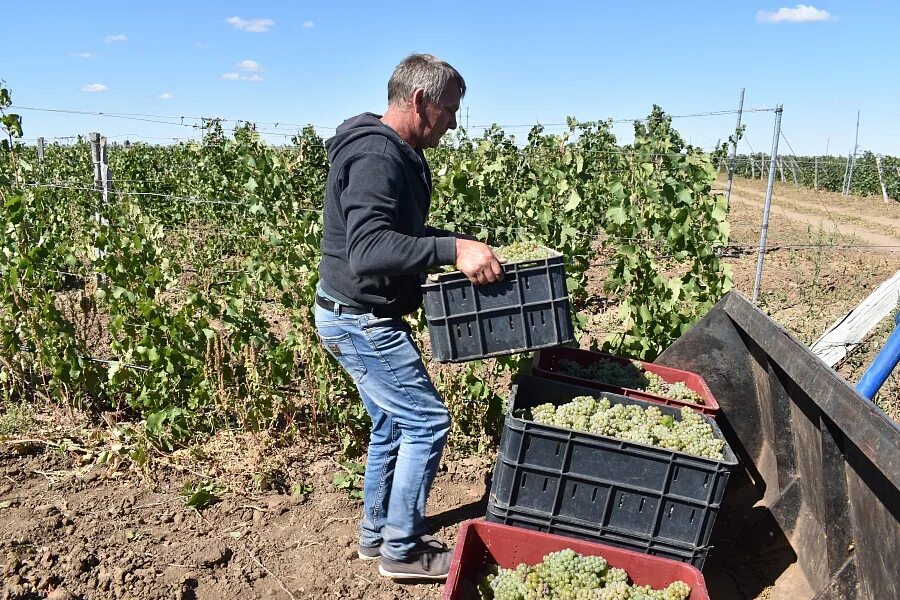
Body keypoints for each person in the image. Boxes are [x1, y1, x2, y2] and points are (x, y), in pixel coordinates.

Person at [313, 53, 504, 580]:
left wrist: (454, 242)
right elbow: (369, 250)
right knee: (426, 421)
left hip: (355, 313)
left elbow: (390, 232)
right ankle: (404, 549)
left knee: (392, 424)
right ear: (420, 101)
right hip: (360, 320)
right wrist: (450, 249)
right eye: (450, 109)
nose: (454, 121)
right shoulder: (377, 155)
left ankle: (378, 535)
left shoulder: (394, 149)